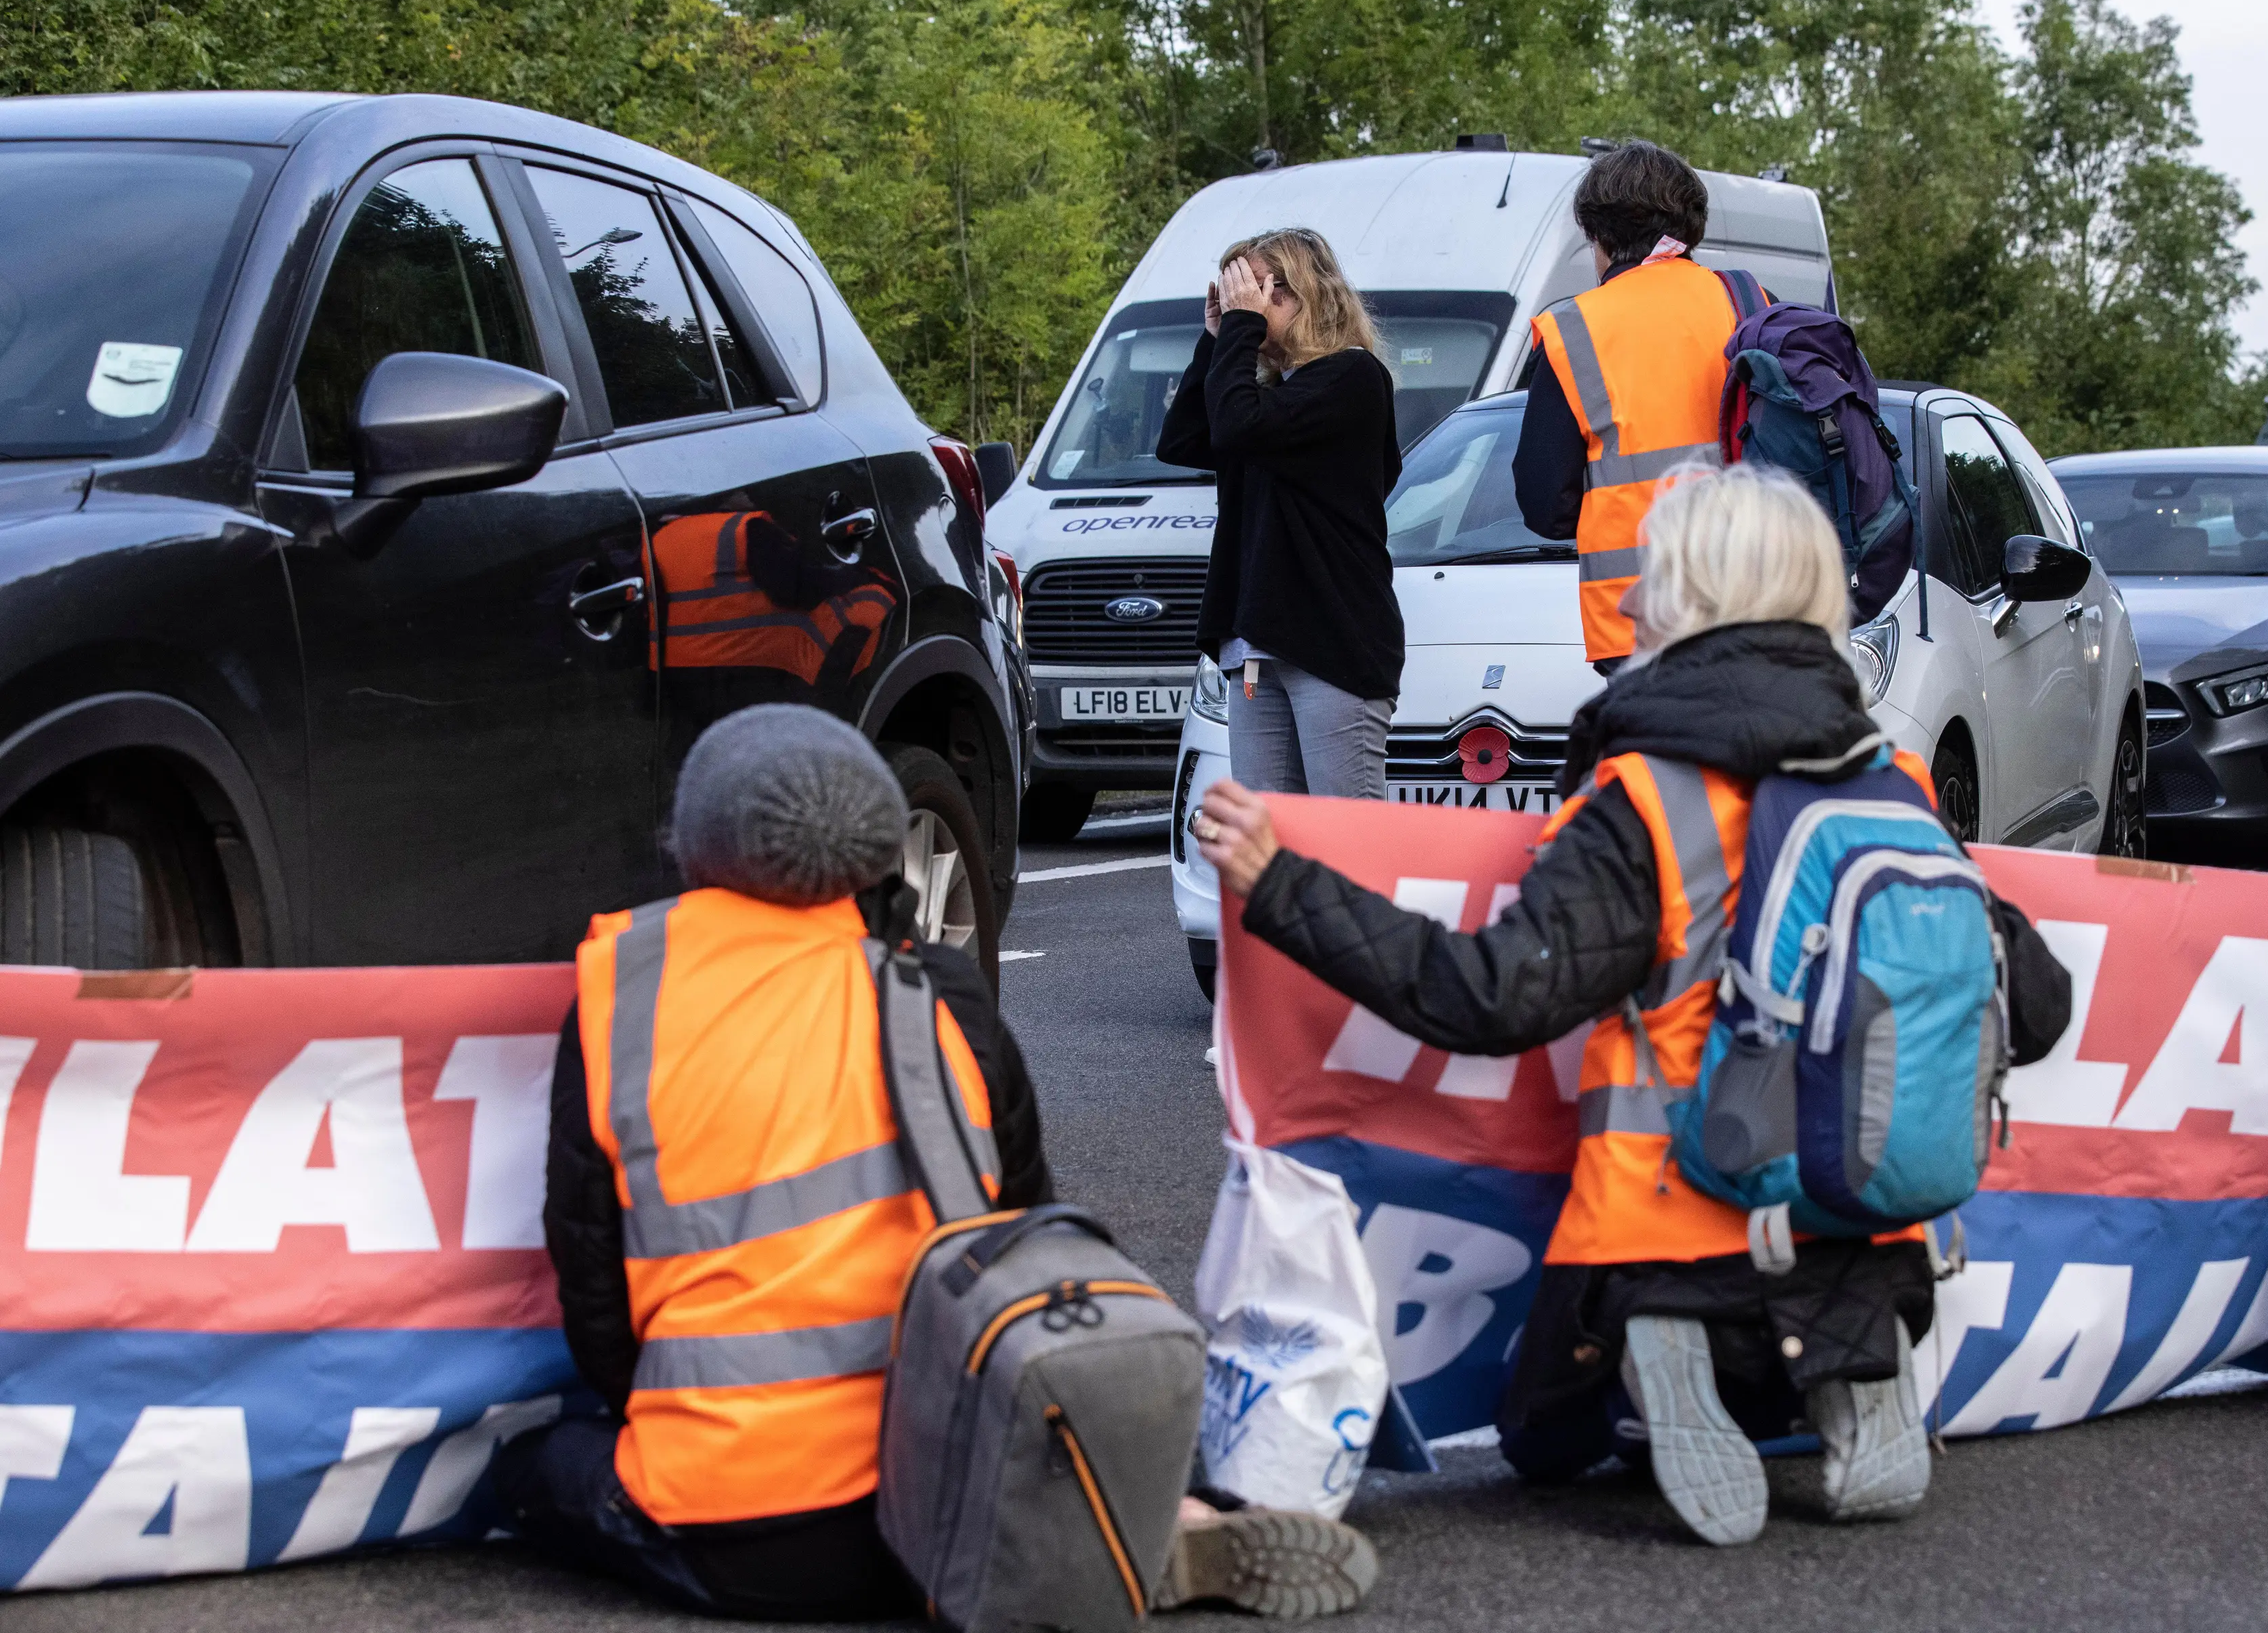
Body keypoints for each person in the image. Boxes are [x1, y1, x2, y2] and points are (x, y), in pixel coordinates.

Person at [1193, 465, 1943, 1546]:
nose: (1627, 602)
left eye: (1647, 578)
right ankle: (1858, 1368)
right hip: (1876, 1234)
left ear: (1688, 600)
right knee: (1822, 1296)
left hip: (1668, 1228)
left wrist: (1283, 884)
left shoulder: (1647, 798)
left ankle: (1665, 1353)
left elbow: (1492, 992)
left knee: (1541, 1445)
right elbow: (2034, 1001)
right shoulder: (1898, 788)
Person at [496, 704, 1377, 1619]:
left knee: (532, 1467)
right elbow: (1025, 1241)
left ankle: (1084, 1537)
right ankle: (1119, 1525)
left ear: (697, 838)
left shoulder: (625, 996)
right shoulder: (939, 991)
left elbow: (596, 1301)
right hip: (972, 1490)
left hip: (753, 1534)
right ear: (875, 845)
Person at [1159, 228, 1403, 799]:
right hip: (1258, 645)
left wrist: (1240, 335)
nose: (1240, 302)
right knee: (1272, 849)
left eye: (1252, 289)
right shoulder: (1264, 394)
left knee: (1346, 848)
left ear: (1299, 294)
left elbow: (1241, 425)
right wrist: (1217, 338)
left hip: (1332, 643)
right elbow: (1184, 440)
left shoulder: (1353, 378)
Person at [1512, 141, 1748, 674]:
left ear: (1600, 237)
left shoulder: (1571, 330)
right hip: (1759, 597)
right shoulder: (1751, 304)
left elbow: (1543, 502)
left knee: (1657, 759)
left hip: (1637, 618)